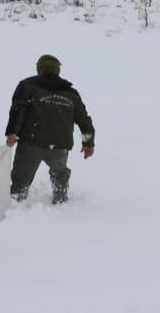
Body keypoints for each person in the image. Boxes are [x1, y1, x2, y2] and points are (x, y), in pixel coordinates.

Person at [5, 54, 95, 204]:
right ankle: (60, 201)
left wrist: (12, 132)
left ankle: (15, 203)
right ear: (58, 71)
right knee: (60, 174)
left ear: (39, 69)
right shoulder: (71, 93)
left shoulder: (27, 86)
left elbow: (18, 110)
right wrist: (88, 143)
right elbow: (84, 120)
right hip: (59, 146)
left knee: (21, 179)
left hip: (31, 143)